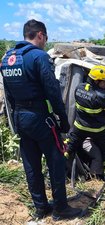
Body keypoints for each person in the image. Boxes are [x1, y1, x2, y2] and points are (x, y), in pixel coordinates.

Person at [0, 19, 82, 220]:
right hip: (39, 118)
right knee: (55, 161)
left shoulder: (8, 58)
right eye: (45, 38)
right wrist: (63, 120)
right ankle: (61, 209)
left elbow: (8, 96)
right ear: (40, 35)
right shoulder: (38, 57)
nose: (45, 42)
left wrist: (16, 119)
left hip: (21, 118)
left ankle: (40, 207)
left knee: (31, 165)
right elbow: (53, 91)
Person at [67, 65, 105, 181]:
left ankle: (54, 173)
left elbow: (89, 96)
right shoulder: (102, 96)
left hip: (79, 128)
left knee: (68, 148)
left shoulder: (78, 88)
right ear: (96, 80)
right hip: (98, 130)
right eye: (104, 82)